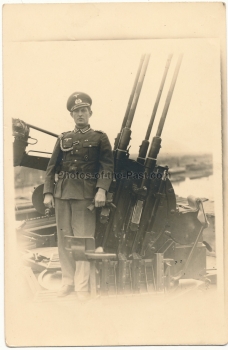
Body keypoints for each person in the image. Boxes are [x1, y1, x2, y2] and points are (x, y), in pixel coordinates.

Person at [43, 92, 114, 300]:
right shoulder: (63, 138)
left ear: (90, 112)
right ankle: (68, 282)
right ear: (72, 115)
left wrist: (101, 189)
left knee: (82, 240)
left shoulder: (99, 137)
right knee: (64, 240)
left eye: (83, 110)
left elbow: (107, 167)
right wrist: (48, 192)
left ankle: (81, 287)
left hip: (85, 195)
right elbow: (51, 167)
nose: (80, 114)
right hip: (62, 194)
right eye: (76, 112)